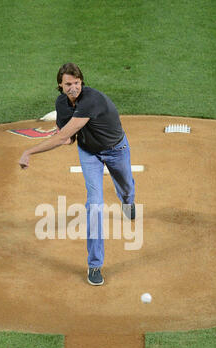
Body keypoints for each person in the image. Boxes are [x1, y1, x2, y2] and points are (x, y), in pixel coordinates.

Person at [19, 63, 135, 286]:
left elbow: (63, 137)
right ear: (60, 86)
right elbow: (69, 138)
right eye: (68, 84)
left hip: (116, 150)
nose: (73, 88)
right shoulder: (61, 103)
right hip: (89, 153)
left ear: (82, 82)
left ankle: (128, 202)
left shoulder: (92, 100)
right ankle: (94, 265)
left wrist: (30, 151)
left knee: (126, 188)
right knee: (94, 205)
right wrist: (68, 135)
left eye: (76, 83)